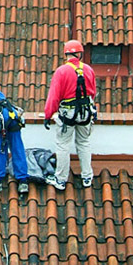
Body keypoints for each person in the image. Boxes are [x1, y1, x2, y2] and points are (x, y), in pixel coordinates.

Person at [44, 40, 97, 190]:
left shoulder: (61, 71)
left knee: (63, 146)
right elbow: (92, 92)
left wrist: (48, 115)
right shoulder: (88, 70)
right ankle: (87, 177)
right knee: (84, 143)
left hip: (68, 113)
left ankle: (61, 180)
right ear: (80, 54)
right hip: (86, 111)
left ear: (66, 54)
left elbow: (54, 96)